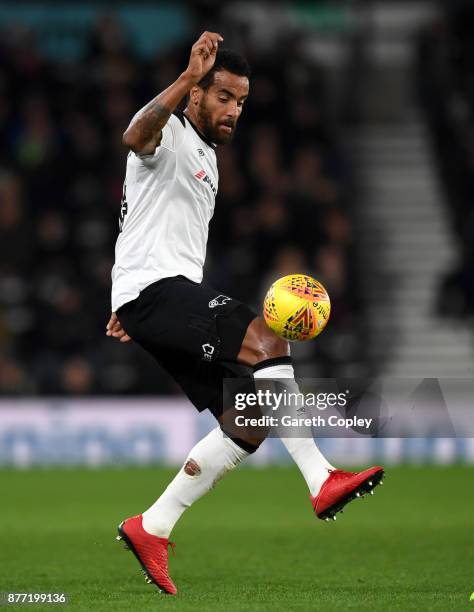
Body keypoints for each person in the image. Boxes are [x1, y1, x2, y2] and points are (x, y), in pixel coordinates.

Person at [107, 31, 384, 595]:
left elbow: (145, 226)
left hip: (153, 295)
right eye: (224, 97)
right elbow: (134, 136)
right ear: (196, 97)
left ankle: (152, 527)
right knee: (267, 335)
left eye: (241, 102)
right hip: (153, 291)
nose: (234, 110)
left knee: (250, 420)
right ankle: (321, 477)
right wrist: (186, 75)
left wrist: (133, 307)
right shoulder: (172, 134)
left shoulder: (206, 156)